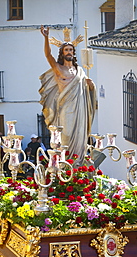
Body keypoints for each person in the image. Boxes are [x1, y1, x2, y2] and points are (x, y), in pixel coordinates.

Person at [40, 26, 96, 164]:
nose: (69, 52)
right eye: (66, 50)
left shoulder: (80, 71)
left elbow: (87, 90)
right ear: (62, 53)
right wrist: (46, 38)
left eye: (71, 49)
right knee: (66, 136)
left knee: (80, 137)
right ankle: (65, 164)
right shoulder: (59, 69)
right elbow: (48, 55)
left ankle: (79, 165)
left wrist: (91, 86)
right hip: (65, 109)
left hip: (80, 110)